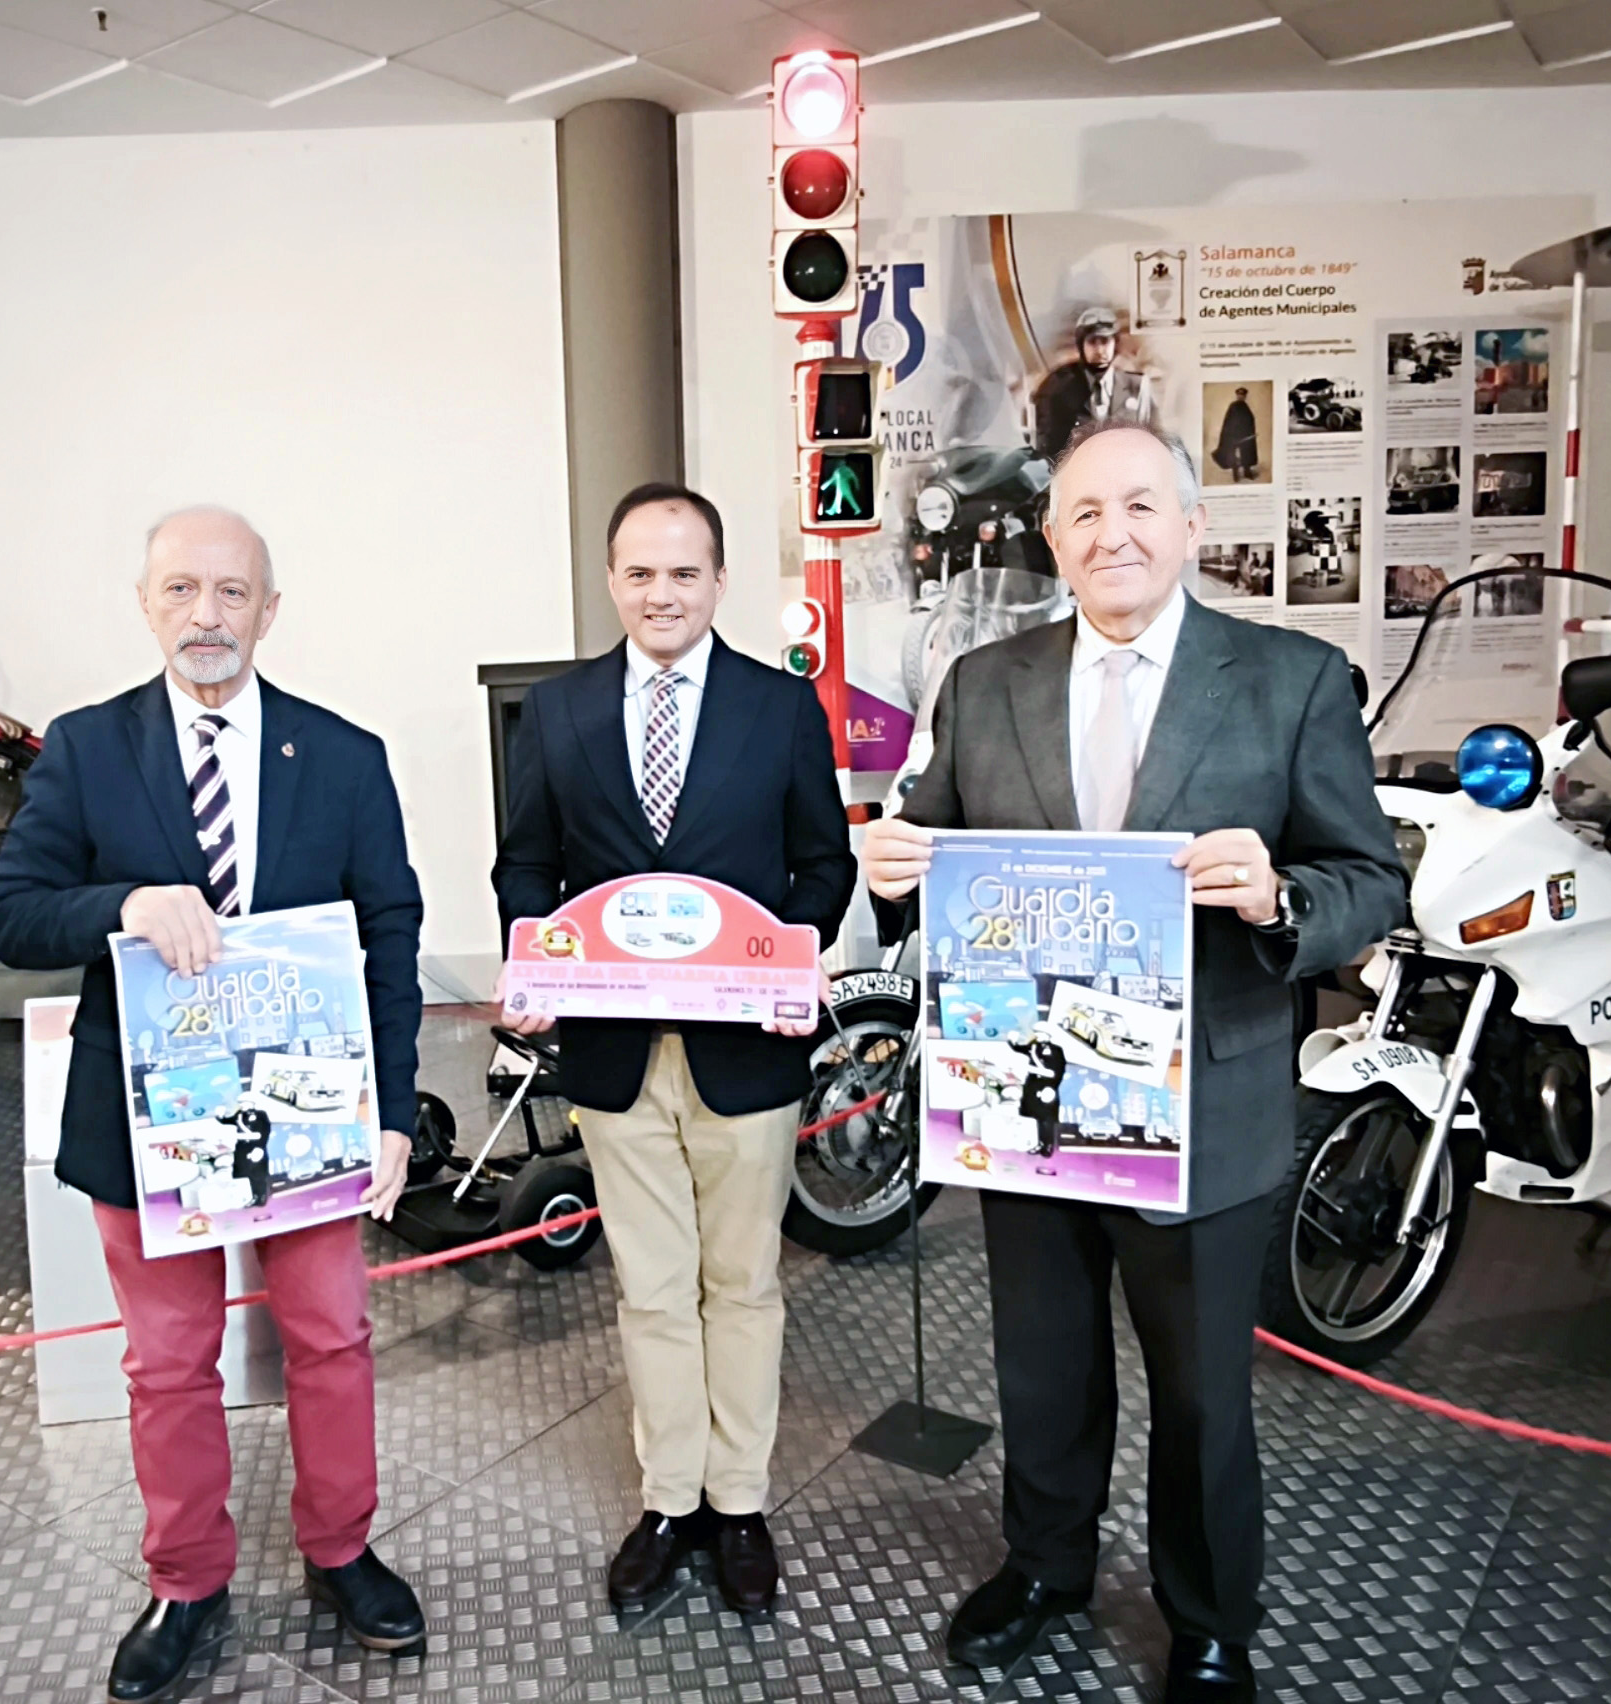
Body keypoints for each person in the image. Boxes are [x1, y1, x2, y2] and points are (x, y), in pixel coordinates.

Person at [862, 423, 1406, 1704]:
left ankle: (1209, 1616)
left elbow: (1370, 881)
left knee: (1205, 1394)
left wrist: (1279, 897)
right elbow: (929, 845)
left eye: (1142, 506)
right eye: (1087, 512)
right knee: (1043, 1370)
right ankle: (1045, 1567)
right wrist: (887, 869)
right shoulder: (984, 682)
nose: (1114, 533)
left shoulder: (1291, 680)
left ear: (1192, 526)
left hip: (1204, 1103)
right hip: (1028, 1096)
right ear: (1053, 539)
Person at [0, 506, 427, 1701]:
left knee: (331, 1337)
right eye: (181, 589)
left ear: (269, 611)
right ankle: (185, 1579)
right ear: (146, 605)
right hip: (146, 1124)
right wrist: (122, 906)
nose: (207, 615)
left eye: (232, 592)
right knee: (169, 1363)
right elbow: (10, 915)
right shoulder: (86, 749)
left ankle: (341, 1547)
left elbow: (391, 932)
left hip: (308, 1112)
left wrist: (391, 1111)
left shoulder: (345, 756)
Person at [492, 482, 855, 1615]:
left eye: (684, 572)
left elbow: (823, 864)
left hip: (746, 1050)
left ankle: (738, 1503)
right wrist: (535, 964)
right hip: (612, 1053)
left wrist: (793, 959)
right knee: (650, 1290)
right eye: (641, 572)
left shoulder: (779, 707)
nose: (662, 593)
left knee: (742, 1285)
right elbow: (526, 864)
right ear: (612, 580)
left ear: (719, 581)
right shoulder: (558, 711)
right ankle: (669, 1501)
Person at [1033, 307, 1158, 459]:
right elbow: (1047, 445)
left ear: (1115, 344)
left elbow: (1154, 437)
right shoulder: (1058, 387)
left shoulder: (1137, 387)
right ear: (1081, 345)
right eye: (1092, 342)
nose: (1099, 350)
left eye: (1105, 341)